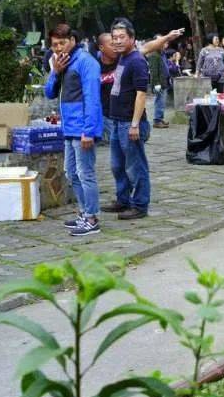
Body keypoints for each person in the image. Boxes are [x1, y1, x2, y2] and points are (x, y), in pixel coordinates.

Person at [44, 24, 103, 236]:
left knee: (85, 173)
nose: (58, 48)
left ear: (72, 40)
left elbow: (92, 99)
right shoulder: (62, 64)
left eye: (62, 43)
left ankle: (92, 218)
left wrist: (89, 131)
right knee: (71, 173)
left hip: (82, 129)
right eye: (54, 45)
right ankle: (84, 212)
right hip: (68, 128)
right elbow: (49, 93)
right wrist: (55, 72)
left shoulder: (86, 62)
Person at [101, 18, 151, 220]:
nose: (118, 41)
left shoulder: (137, 61)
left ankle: (140, 205)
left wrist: (134, 124)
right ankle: (123, 200)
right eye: (115, 38)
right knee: (117, 165)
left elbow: (141, 94)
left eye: (122, 37)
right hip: (116, 120)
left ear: (132, 38)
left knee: (136, 166)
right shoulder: (122, 58)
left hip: (129, 123)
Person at [147, 34, 171, 128]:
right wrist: (157, 84)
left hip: (164, 81)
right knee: (159, 101)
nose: (163, 43)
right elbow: (153, 71)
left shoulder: (162, 53)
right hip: (159, 83)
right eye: (160, 41)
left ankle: (160, 118)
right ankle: (157, 120)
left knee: (162, 101)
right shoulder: (153, 54)